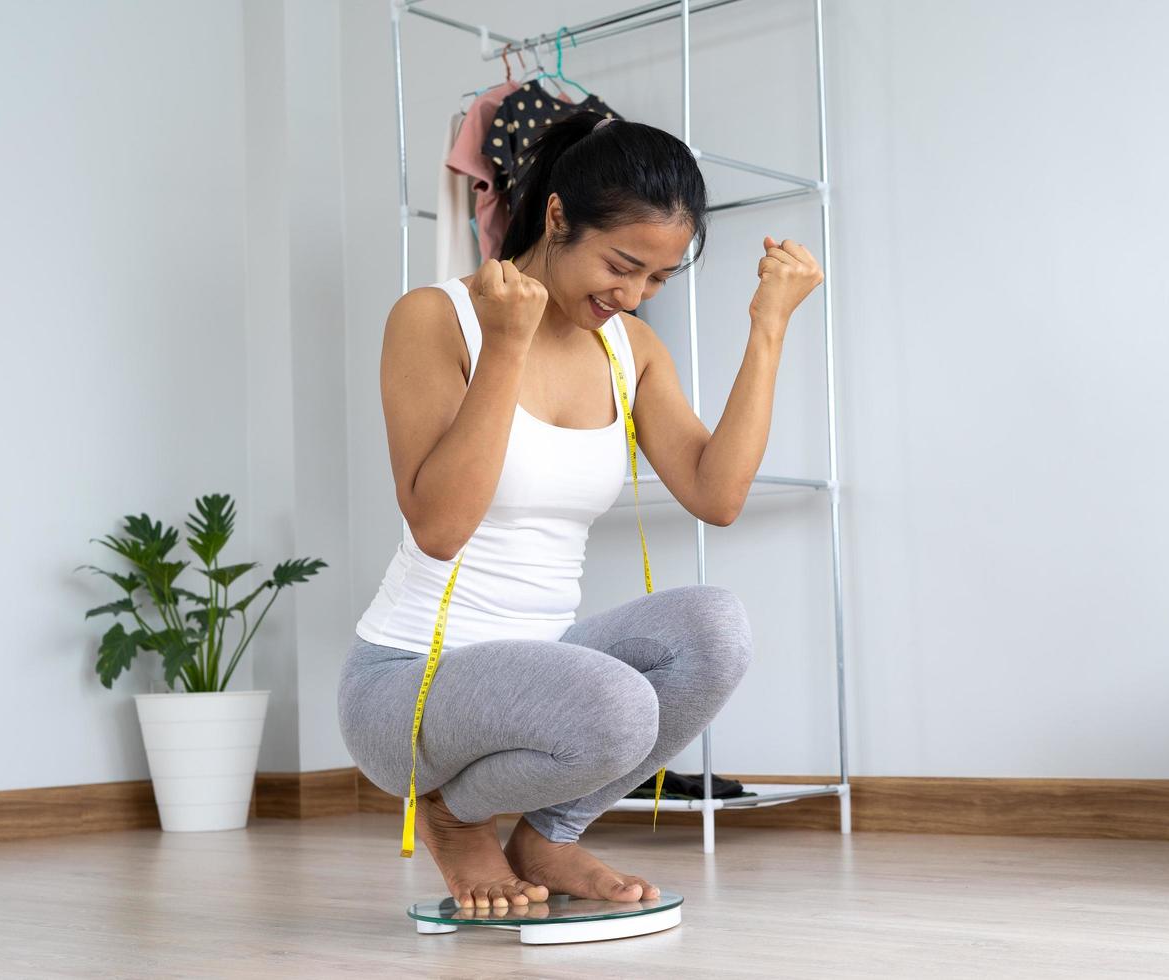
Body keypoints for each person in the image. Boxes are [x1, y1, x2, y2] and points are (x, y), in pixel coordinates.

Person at [337, 111, 824, 911]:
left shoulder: (629, 346)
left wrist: (768, 328)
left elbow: (718, 495)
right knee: (617, 704)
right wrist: (506, 346)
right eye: (622, 264)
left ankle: (545, 835)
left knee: (717, 628)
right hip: (407, 688)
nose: (632, 296)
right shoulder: (436, 319)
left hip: (544, 671)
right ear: (558, 214)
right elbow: (439, 527)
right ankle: (456, 821)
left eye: (659, 280)